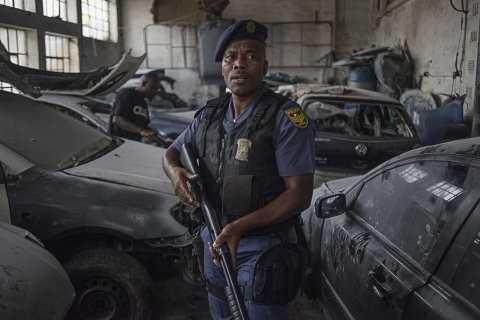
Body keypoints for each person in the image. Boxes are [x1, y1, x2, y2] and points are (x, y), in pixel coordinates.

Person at [163, 20, 315, 320]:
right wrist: (175, 173)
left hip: (262, 249)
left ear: (265, 67)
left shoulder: (286, 118)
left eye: (250, 57)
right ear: (222, 67)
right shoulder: (208, 116)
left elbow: (299, 195)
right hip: (213, 240)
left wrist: (240, 228)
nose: (239, 65)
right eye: (231, 57)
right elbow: (171, 153)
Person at [109, 71, 159, 141]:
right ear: (144, 83)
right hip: (120, 143)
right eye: (153, 87)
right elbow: (117, 119)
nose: (155, 91)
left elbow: (143, 126)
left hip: (134, 144)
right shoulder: (127, 94)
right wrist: (141, 131)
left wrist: (153, 134)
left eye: (157, 89)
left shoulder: (143, 103)